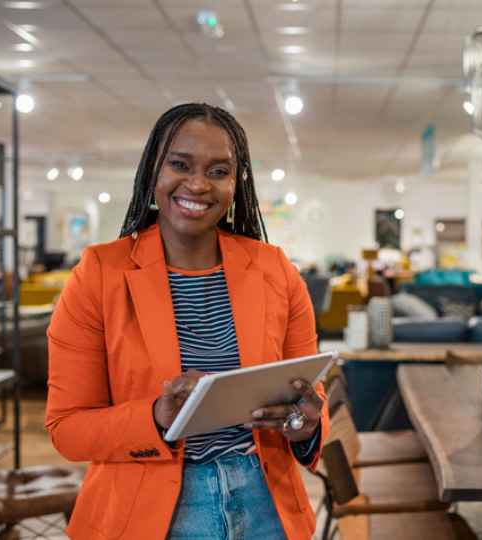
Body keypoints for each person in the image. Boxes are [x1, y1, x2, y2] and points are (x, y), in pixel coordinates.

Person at [45, 103, 329, 540]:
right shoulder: (99, 274)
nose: (198, 184)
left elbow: (310, 392)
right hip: (148, 510)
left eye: (219, 171)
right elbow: (68, 428)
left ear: (236, 184)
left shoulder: (274, 270)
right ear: (153, 170)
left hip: (265, 504)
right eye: (180, 164)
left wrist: (308, 423)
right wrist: (157, 416)